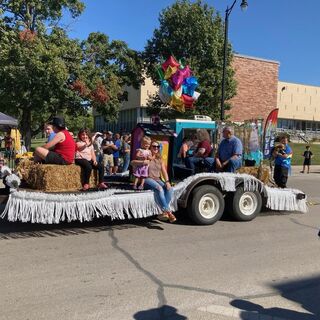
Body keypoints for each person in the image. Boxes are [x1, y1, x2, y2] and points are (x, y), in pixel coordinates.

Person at [131, 140, 176, 223]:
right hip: (147, 178)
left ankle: (163, 212)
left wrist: (167, 182)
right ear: (150, 147)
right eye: (154, 146)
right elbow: (132, 162)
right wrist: (143, 162)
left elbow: (164, 171)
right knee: (159, 189)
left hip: (158, 179)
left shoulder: (159, 158)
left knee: (170, 189)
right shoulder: (146, 155)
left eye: (157, 147)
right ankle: (167, 211)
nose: (156, 148)